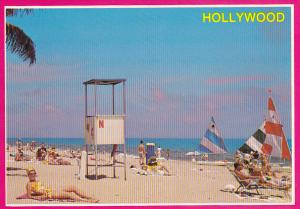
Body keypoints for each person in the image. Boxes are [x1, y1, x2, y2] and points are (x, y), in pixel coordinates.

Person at [25, 168, 99, 202]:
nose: (33, 175)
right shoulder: (29, 184)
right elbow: (29, 196)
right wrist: (40, 197)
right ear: (28, 175)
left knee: (72, 187)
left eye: (34, 173)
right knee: (68, 194)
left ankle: (88, 196)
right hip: (49, 193)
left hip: (51, 189)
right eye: (31, 174)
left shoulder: (36, 180)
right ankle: (86, 201)